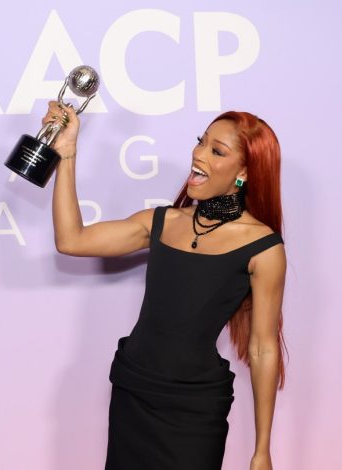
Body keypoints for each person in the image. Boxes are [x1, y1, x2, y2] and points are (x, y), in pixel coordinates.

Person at [46, 101, 287, 470]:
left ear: (244, 172)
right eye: (201, 141)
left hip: (194, 408)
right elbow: (71, 239)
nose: (198, 154)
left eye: (217, 151)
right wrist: (66, 152)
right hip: (134, 391)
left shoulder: (264, 248)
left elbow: (263, 349)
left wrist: (262, 450)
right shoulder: (161, 222)